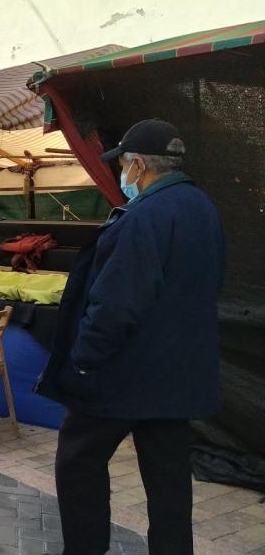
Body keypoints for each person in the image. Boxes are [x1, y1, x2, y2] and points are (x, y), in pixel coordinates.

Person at [36, 120, 225, 555]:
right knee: (169, 480)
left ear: (138, 166)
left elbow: (115, 306)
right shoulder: (203, 208)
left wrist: (82, 362)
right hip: (178, 375)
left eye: (122, 165)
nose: (122, 175)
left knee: (78, 460)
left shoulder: (144, 217)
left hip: (123, 376)